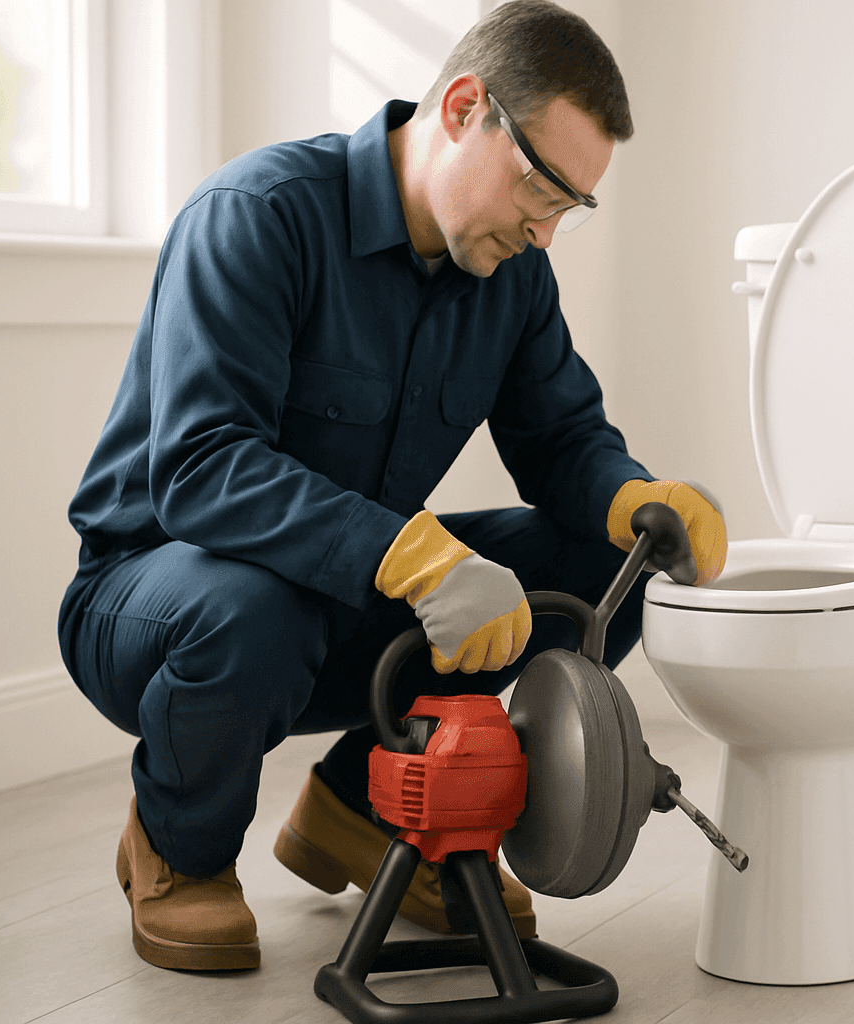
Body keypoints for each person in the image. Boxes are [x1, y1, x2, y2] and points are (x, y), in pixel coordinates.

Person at [57, 0, 727, 972]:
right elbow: (201, 468)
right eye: (541, 187)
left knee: (599, 564)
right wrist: (407, 551)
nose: (545, 232)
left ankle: (368, 809)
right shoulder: (259, 216)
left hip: (346, 603)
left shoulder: (513, 276)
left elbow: (564, 440)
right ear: (463, 108)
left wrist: (635, 500)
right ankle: (176, 846)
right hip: (160, 601)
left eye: (569, 208)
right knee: (260, 603)